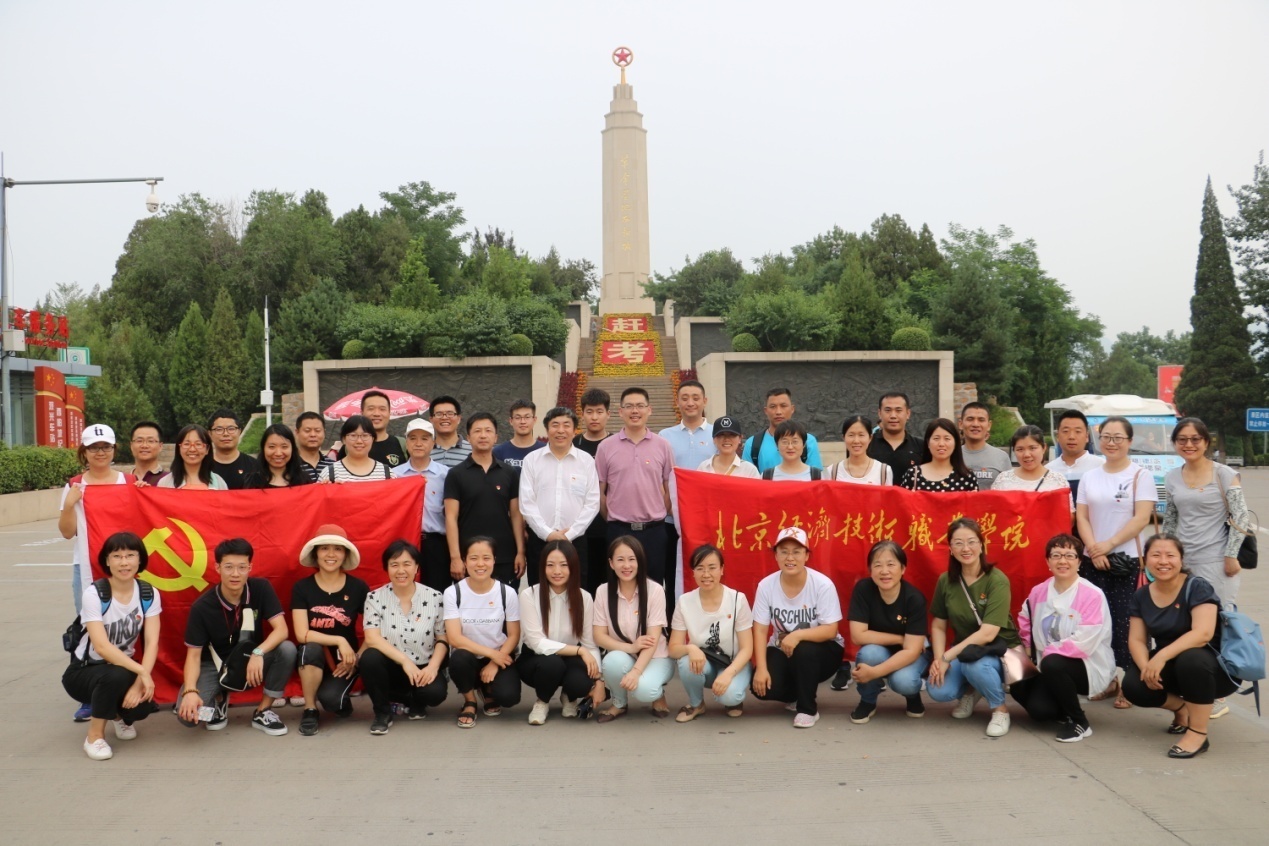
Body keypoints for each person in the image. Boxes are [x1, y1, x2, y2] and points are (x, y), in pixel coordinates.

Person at [1163, 416, 1249, 719]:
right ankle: (1191, 687)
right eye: (1182, 439)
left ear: (1206, 442)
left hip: (1215, 562)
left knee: (1216, 628)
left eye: (1195, 439)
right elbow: (1171, 518)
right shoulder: (1172, 476)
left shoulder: (1224, 474)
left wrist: (1231, 555)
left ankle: (1219, 693)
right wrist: (1165, 556)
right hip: (1182, 563)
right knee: (1185, 625)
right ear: (1175, 443)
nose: (1189, 444)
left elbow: (1240, 516)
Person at [1122, 534, 1237, 758]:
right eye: (1156, 555)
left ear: (1181, 560)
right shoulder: (1141, 595)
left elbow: (1203, 634)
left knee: (1191, 658)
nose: (1163, 561)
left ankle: (1198, 733)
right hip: (1173, 666)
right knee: (1134, 685)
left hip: (1211, 670)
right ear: (1145, 559)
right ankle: (1182, 708)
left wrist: (1161, 656)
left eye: (1170, 555)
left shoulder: (1197, 587)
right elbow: (1136, 639)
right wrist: (1146, 668)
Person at [1075, 415, 1157, 708]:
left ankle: (1131, 684)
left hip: (1125, 562)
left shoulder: (1140, 476)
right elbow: (1082, 516)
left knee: (1126, 624)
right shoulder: (1090, 476)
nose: (1111, 442)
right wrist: (1093, 550)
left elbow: (1141, 518)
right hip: (1092, 561)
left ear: (1129, 441)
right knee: (1095, 624)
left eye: (1118, 437)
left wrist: (1107, 546)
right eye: (1106, 437)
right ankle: (1108, 680)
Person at [60, 420, 138, 724]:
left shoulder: (129, 482)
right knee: (90, 630)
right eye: (94, 448)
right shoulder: (75, 485)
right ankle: (89, 695)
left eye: (106, 447)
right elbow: (67, 532)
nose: (100, 452)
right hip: (87, 568)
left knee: (126, 627)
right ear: (84, 451)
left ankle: (126, 687)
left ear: (114, 449)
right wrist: (69, 505)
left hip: (126, 569)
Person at [176, 538, 297, 736]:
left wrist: (258, 652)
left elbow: (281, 630)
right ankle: (219, 701)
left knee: (287, 649)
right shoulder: (202, 607)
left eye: (242, 567)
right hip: (214, 666)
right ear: (217, 567)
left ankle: (263, 710)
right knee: (188, 717)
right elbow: (194, 656)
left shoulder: (260, 588)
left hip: (249, 658)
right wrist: (190, 691)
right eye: (229, 567)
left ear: (250, 567)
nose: (235, 574)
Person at [62, 532, 161, 760]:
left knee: (142, 707)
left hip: (124, 668)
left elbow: (152, 642)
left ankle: (118, 717)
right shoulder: (95, 594)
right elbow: (102, 646)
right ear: (107, 561)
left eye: (130, 555)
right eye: (117, 556)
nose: (124, 562)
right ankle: (94, 737)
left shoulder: (148, 593)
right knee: (115, 675)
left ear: (140, 559)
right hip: (84, 671)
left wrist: (138, 684)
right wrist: (142, 672)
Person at [1011, 534, 1115, 742]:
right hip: (1048, 665)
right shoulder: (1039, 592)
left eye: (1069, 555)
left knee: (1053, 662)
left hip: (1085, 665)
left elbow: (1085, 641)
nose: (1062, 561)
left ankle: (1079, 721)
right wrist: (1027, 649)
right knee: (1028, 695)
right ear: (1048, 561)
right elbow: (1025, 617)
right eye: (1056, 555)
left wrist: (1047, 655)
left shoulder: (1092, 594)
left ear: (1079, 561)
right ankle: (1062, 709)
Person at [927, 518, 1018, 737]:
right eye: (958, 543)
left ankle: (1000, 710)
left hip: (997, 650)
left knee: (974, 666)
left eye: (971, 542)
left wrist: (947, 657)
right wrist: (939, 660)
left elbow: (988, 633)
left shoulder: (996, 580)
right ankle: (973, 689)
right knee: (938, 690)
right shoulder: (946, 581)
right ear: (950, 548)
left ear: (981, 545)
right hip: (964, 650)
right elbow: (938, 625)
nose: (965, 549)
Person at [749, 526, 845, 728]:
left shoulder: (822, 584)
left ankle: (807, 709)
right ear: (776, 555)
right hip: (781, 648)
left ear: (806, 555)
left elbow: (830, 630)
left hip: (824, 651)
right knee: (762, 687)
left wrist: (797, 635)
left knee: (804, 650)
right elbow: (760, 630)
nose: (790, 558)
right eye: (784, 552)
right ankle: (798, 693)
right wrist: (762, 668)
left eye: (796, 552)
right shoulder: (766, 585)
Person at [595, 387, 676, 613]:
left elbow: (669, 486)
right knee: (619, 585)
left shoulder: (662, 445)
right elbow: (600, 491)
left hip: (654, 531)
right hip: (619, 529)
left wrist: (659, 511)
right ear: (620, 411)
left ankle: (654, 629)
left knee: (654, 586)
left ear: (649, 410)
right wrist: (613, 518)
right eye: (629, 406)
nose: (635, 411)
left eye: (640, 406)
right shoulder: (606, 447)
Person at [360, 540, 449, 735]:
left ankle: (415, 700)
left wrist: (433, 667)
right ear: (386, 568)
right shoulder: (374, 598)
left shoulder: (435, 597)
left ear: (417, 567)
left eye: (407, 564)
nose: (401, 570)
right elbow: (372, 638)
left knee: (434, 694)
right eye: (394, 565)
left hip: (423, 665)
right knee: (369, 658)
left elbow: (442, 638)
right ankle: (382, 713)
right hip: (391, 666)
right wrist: (405, 662)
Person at [290, 525, 370, 736]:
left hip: (345, 661)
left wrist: (357, 657)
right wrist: (339, 640)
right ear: (316, 553)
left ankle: (338, 697)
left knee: (332, 702)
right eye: (324, 548)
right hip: (313, 657)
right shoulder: (302, 588)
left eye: (338, 549)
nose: (331, 554)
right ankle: (310, 709)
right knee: (310, 647)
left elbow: (373, 630)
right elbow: (301, 633)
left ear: (345, 555)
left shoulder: (358, 588)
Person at [517, 540, 603, 725]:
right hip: (536, 660)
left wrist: (599, 680)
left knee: (581, 683)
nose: (557, 571)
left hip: (569, 658)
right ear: (542, 567)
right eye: (550, 565)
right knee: (552, 664)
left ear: (573, 567)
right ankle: (542, 701)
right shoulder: (529, 595)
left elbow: (589, 645)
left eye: (564, 565)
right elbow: (537, 643)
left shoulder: (584, 597)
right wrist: (579, 650)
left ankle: (569, 696)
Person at [668, 545, 754, 721]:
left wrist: (728, 674)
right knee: (685, 661)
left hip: (734, 662)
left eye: (712, 568)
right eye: (700, 568)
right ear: (693, 572)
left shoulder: (737, 599)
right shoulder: (684, 601)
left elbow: (747, 648)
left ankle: (732, 700)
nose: (706, 574)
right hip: (704, 662)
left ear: (722, 569)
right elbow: (674, 649)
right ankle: (696, 704)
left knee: (729, 696)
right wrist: (691, 648)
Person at [592, 535, 673, 722]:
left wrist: (636, 672)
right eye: (620, 560)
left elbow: (653, 640)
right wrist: (631, 647)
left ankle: (657, 693)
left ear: (640, 561)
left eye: (631, 559)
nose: (626, 565)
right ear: (611, 563)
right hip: (625, 654)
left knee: (645, 691)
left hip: (656, 656)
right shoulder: (603, 591)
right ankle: (619, 703)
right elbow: (599, 636)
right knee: (611, 661)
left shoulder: (654, 590)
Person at [443, 537, 522, 728]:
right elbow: (454, 638)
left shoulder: (507, 592)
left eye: (486, 558)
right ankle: (470, 700)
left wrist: (494, 661)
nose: (480, 564)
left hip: (499, 654)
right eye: (473, 558)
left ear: (494, 560)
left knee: (509, 697)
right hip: (468, 655)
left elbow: (514, 635)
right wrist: (493, 654)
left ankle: (488, 690)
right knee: (459, 658)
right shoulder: (453, 592)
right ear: (464, 561)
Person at [847, 540, 928, 723]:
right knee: (868, 654)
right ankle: (867, 701)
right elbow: (858, 635)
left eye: (891, 564)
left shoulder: (914, 598)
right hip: (880, 648)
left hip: (911, 652)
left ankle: (912, 696)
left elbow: (912, 650)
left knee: (904, 681)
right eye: (878, 565)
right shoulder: (863, 589)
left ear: (903, 568)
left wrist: (874, 673)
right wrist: (899, 638)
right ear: (870, 570)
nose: (884, 571)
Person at [518, 407, 600, 587]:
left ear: (574, 430)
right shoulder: (532, 460)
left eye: (566, 425)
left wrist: (570, 534)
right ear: (547, 429)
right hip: (540, 540)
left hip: (576, 541)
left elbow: (592, 503)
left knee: (576, 591)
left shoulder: (586, 460)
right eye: (555, 425)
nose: (560, 430)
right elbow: (526, 502)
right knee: (540, 591)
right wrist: (547, 534)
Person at [444, 412, 527, 586]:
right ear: (468, 437)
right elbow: (450, 517)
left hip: (504, 556)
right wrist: (455, 557)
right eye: (477, 431)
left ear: (496, 437)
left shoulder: (509, 472)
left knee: (505, 601)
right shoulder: (455, 474)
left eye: (488, 431)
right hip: (469, 557)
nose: (483, 435)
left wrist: (520, 552)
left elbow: (516, 514)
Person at [392, 418, 451, 592]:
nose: (418, 443)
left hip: (435, 544)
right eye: (413, 438)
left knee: (437, 592)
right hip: (403, 542)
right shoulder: (394, 475)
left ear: (433, 443)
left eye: (424, 439)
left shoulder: (445, 475)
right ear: (406, 442)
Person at [991, 425, 1072, 516]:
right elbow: (993, 514)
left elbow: (1068, 516)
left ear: (1044, 448)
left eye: (1032, 448)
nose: (1026, 454)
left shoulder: (1058, 480)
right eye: (1020, 449)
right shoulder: (1003, 480)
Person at [742, 387, 823, 474]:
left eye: (783, 406)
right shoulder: (752, 444)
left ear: (792, 409)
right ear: (766, 411)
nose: (778, 412)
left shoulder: (808, 441)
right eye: (773, 407)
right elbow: (747, 478)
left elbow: (815, 478)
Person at [898, 418, 978, 492]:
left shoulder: (967, 477)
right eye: (936, 438)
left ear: (955, 443)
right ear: (928, 442)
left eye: (947, 439)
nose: (941, 444)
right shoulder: (913, 475)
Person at [1045, 409, 1104, 505]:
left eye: (1078, 431)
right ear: (1058, 436)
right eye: (1066, 431)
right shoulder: (1048, 471)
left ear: (1087, 437)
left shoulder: (1101, 467)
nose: (1071, 436)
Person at [335, 389, 407, 468]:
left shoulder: (403, 445)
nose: (376, 414)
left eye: (382, 409)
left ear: (389, 413)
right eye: (371, 409)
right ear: (362, 413)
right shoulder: (350, 447)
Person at [868, 392, 922, 483]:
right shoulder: (867, 445)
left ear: (908, 413)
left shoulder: (921, 446)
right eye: (888, 410)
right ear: (879, 413)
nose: (893, 415)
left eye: (898, 410)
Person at [157, 425, 229, 490]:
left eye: (198, 444)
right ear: (179, 448)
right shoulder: (165, 483)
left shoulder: (219, 483)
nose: (192, 449)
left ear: (207, 449)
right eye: (186, 444)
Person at [323, 415, 392, 482]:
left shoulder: (387, 473)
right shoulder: (329, 474)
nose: (359, 441)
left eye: (365, 435)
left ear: (373, 439)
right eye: (353, 435)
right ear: (344, 439)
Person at [959, 402, 1011, 490]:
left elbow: (1008, 492)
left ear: (989, 425)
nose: (975, 424)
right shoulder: (952, 456)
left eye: (981, 420)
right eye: (970, 419)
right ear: (960, 424)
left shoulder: (1001, 457)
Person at [245, 424, 313, 488]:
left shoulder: (304, 480)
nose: (278, 453)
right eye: (272, 447)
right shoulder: (252, 481)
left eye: (284, 447)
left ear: (292, 449)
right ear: (263, 448)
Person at [829, 415, 893, 484]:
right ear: (844, 437)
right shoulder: (832, 472)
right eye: (851, 435)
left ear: (870, 438)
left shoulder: (883, 471)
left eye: (861, 435)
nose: (856, 441)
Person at [207, 408, 260, 489]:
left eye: (231, 429)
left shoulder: (254, 466)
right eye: (219, 429)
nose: (226, 434)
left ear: (239, 431)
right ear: (210, 434)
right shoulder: (202, 466)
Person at [695, 416, 760, 478]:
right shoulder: (703, 468)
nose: (726, 439)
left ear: (740, 438)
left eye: (732, 435)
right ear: (714, 439)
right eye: (721, 435)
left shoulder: (749, 470)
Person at [492, 399, 545, 469]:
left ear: (534, 420)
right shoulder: (498, 452)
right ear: (511, 421)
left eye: (527, 417)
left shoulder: (544, 451)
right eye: (518, 417)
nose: (523, 422)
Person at [429, 395, 472, 468]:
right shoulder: (424, 451)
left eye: (450, 413)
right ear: (431, 420)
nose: (444, 417)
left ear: (459, 419)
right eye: (439, 414)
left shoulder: (473, 451)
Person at [294, 411, 335, 482]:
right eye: (307, 431)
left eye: (317, 431)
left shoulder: (333, 466)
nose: (313, 435)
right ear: (297, 432)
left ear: (324, 433)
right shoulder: (289, 464)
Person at [128, 421, 167, 485]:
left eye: (150, 441)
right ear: (131, 446)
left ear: (160, 446)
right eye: (139, 441)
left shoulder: (170, 481)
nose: (144, 445)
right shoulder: (122, 480)